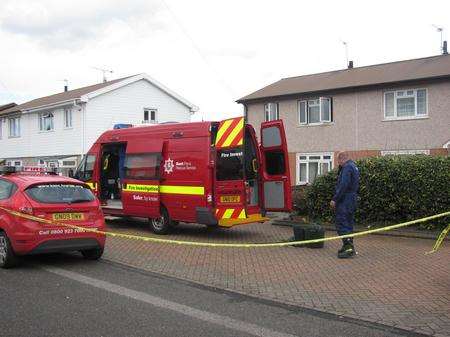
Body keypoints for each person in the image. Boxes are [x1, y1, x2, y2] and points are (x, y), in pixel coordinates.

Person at [330, 152, 359, 258]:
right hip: (351, 199)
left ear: (341, 159)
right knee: (348, 223)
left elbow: (343, 185)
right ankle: (348, 246)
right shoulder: (354, 166)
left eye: (338, 161)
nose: (338, 164)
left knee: (341, 223)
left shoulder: (347, 168)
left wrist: (335, 199)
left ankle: (348, 247)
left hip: (345, 199)